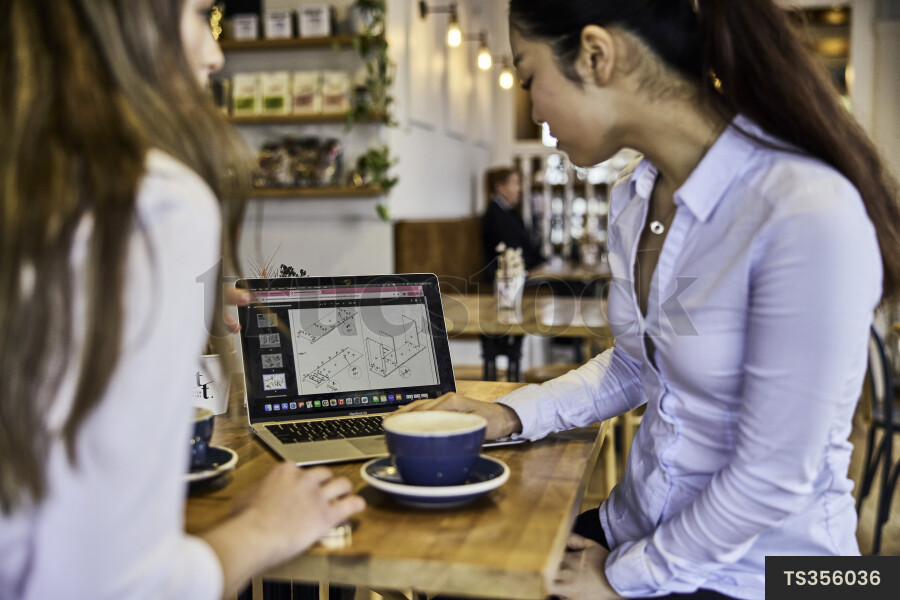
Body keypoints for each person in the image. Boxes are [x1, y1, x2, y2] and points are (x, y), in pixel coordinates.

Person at [395, 0, 900, 599]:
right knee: (455, 566)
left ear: (596, 55)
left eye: (530, 77)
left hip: (765, 572)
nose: (532, 108)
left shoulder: (802, 210)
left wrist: (622, 579)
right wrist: (512, 413)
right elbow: (640, 362)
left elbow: (773, 477)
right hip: (638, 529)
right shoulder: (638, 201)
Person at [0, 1, 364, 599]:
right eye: (200, 13)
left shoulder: (36, 189)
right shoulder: (151, 205)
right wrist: (263, 529)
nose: (216, 54)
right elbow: (110, 587)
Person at [481, 167, 544, 283]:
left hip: (521, 271)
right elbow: (510, 250)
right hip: (505, 278)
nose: (519, 188)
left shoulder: (510, 212)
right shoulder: (495, 216)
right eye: (515, 183)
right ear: (500, 187)